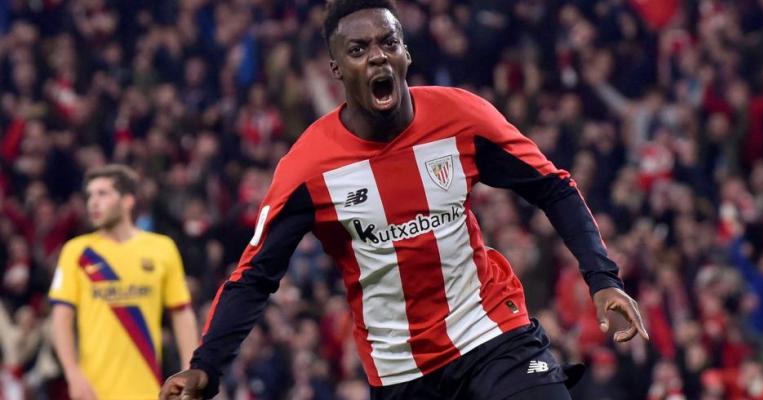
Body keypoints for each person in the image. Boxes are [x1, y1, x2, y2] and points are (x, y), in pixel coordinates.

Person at [161, 1, 649, 399]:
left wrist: (602, 278)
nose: (376, 56)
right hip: (401, 372)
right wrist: (206, 368)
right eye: (358, 49)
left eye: (387, 42)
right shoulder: (308, 168)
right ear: (336, 68)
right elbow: (254, 277)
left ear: (405, 54)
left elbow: (553, 185)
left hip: (493, 334)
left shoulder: (462, 117)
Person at [49, 164, 199, 400]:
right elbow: (61, 318)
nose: (93, 202)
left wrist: (190, 371)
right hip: (93, 392)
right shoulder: (77, 252)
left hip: (147, 389)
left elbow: (182, 313)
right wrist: (72, 373)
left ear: (128, 200)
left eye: (103, 194)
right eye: (89, 195)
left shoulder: (162, 249)